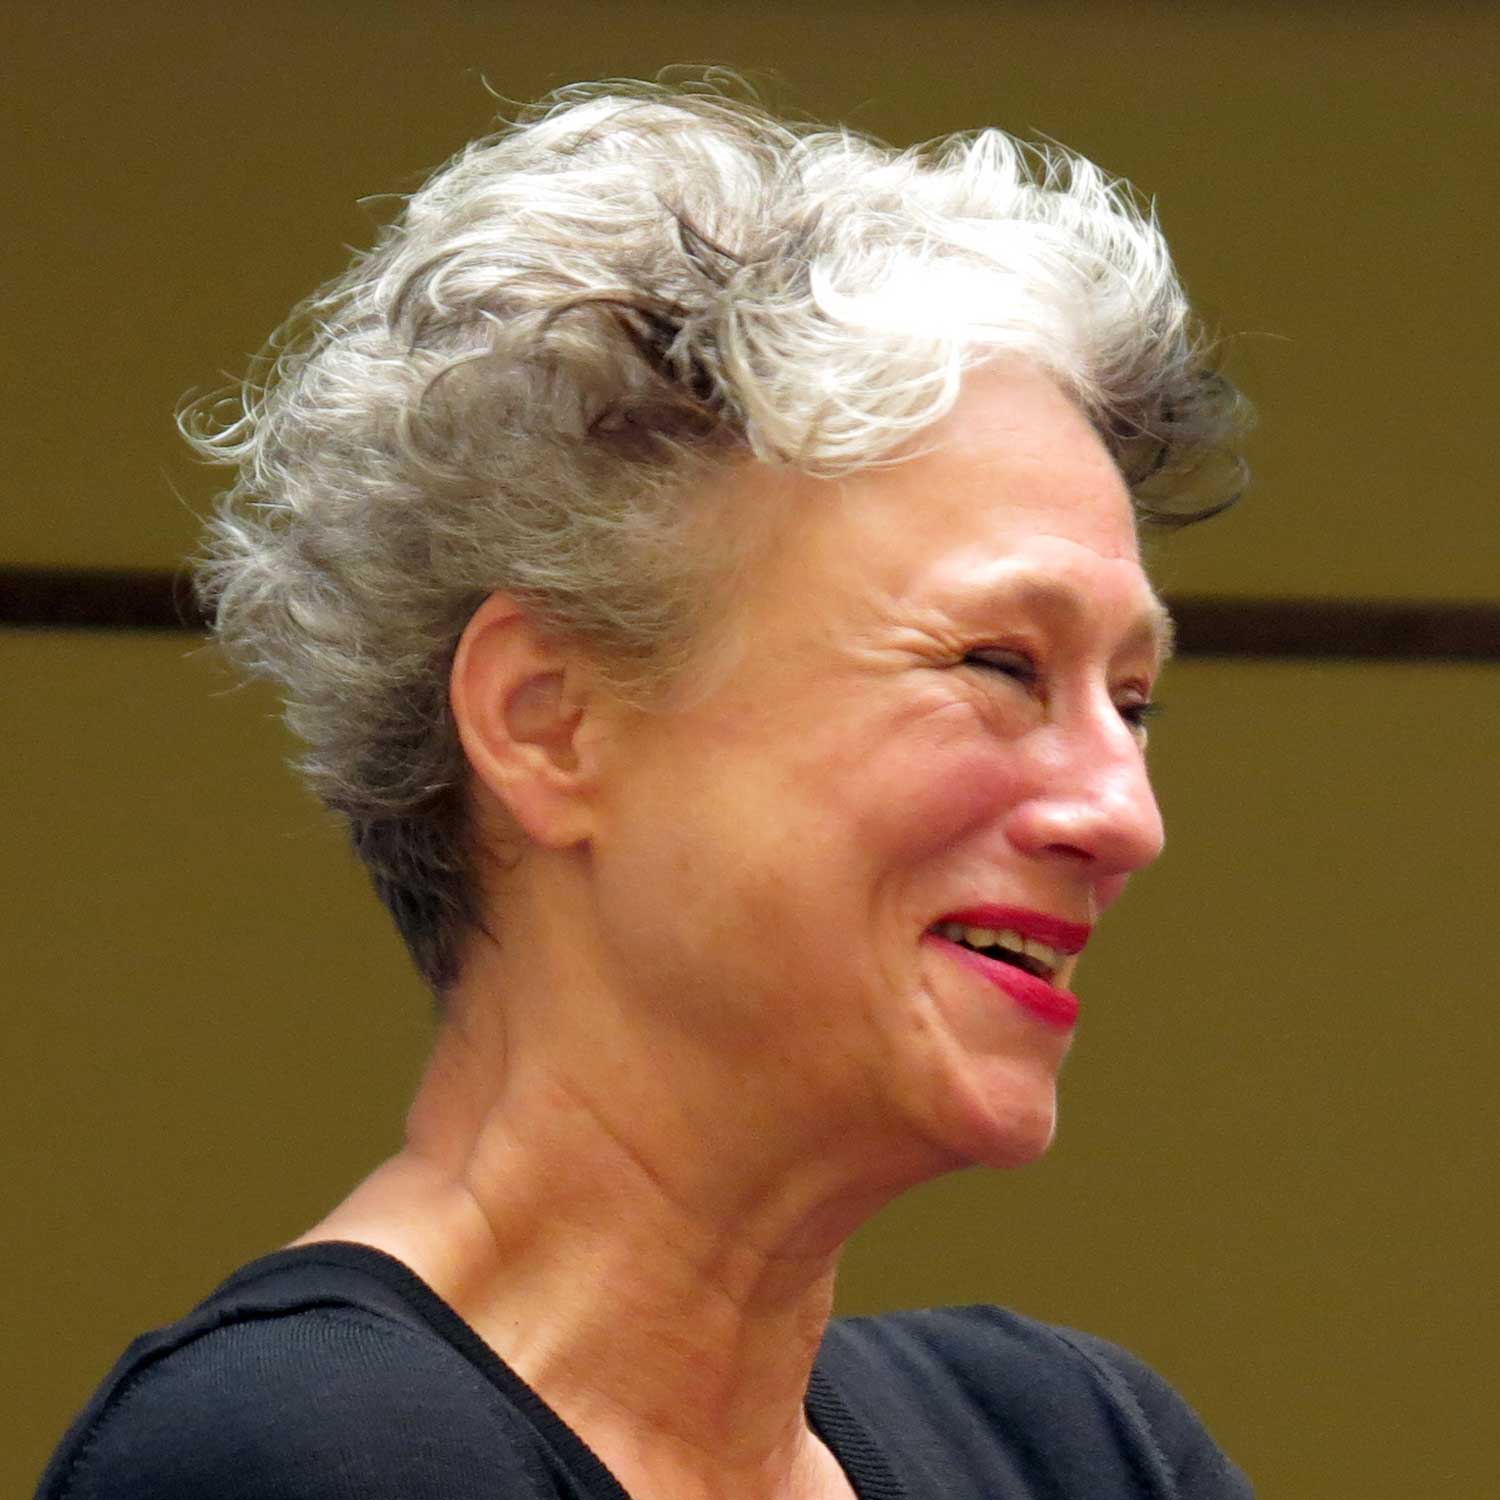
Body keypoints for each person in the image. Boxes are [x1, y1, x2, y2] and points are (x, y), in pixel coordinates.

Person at [39, 79, 1253, 1500]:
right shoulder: (301, 1457)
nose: (1124, 817)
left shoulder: (1080, 1450)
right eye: (998, 664)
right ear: (547, 721)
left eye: (1132, 703)